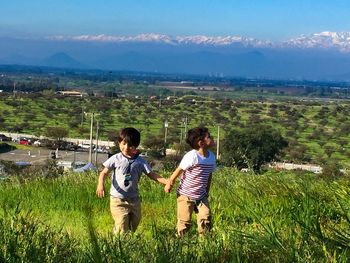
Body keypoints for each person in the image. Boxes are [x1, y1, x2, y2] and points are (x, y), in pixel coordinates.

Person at [96, 127, 168, 234]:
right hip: (118, 199)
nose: (126, 147)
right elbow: (104, 173)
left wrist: (167, 182)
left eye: (130, 145)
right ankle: (119, 241)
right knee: (122, 223)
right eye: (123, 143)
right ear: (119, 143)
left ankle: (125, 238)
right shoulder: (116, 158)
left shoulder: (140, 161)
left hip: (134, 199)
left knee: (134, 222)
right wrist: (100, 185)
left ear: (136, 146)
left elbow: (152, 175)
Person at [164, 127, 216, 236]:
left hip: (201, 196)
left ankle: (205, 241)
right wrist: (170, 182)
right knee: (185, 222)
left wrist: (207, 190)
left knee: (206, 218)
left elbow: (209, 174)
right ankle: (181, 242)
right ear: (201, 143)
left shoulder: (211, 157)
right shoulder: (192, 156)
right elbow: (179, 170)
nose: (212, 138)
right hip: (185, 195)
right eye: (209, 137)